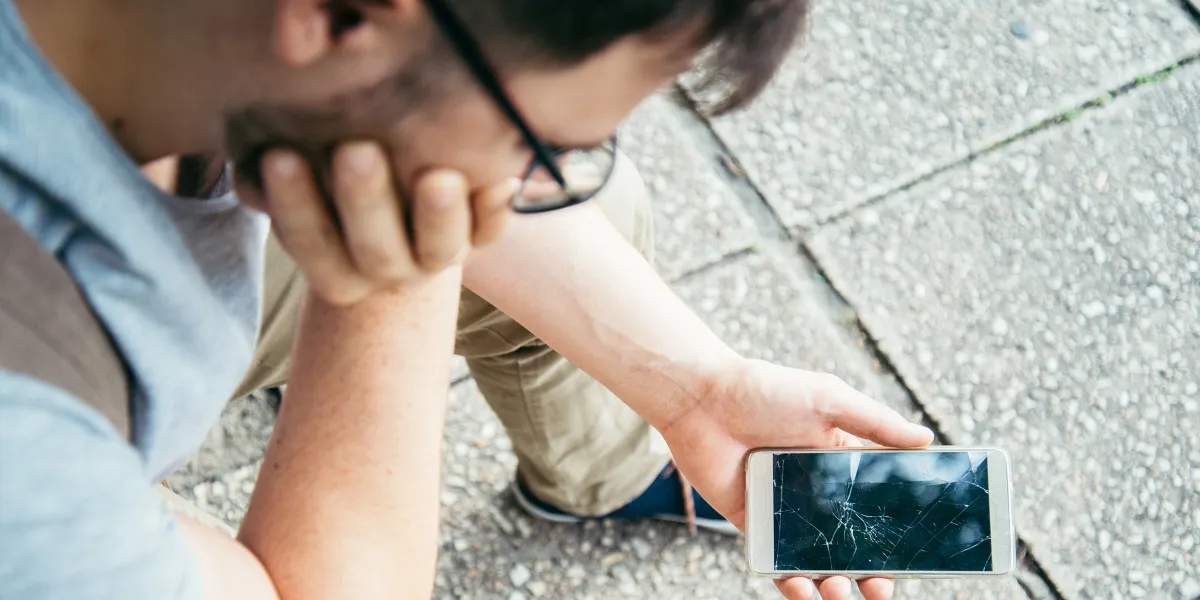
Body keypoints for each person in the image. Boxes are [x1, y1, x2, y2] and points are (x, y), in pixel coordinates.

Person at [0, 2, 935, 600]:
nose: (534, 181)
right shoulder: (29, 453)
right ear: (339, 20)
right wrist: (384, 278)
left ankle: (593, 478)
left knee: (597, 218)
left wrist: (698, 388)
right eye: (538, 143)